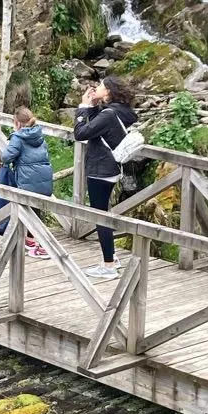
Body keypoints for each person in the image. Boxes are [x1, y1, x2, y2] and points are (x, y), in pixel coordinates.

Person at [72, 76, 138, 277]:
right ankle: (111, 257)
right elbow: (98, 126)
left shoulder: (109, 115)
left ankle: (108, 265)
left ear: (108, 91)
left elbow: (81, 133)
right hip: (112, 167)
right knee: (103, 214)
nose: (96, 87)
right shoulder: (120, 111)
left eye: (100, 86)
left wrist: (83, 107)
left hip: (101, 169)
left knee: (100, 216)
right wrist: (91, 106)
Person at [0, 107, 53, 255]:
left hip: (27, 179)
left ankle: (43, 247)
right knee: (36, 211)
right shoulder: (39, 134)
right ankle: (32, 240)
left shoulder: (18, 137)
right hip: (43, 178)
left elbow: (6, 157)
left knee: (24, 210)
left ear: (17, 123)